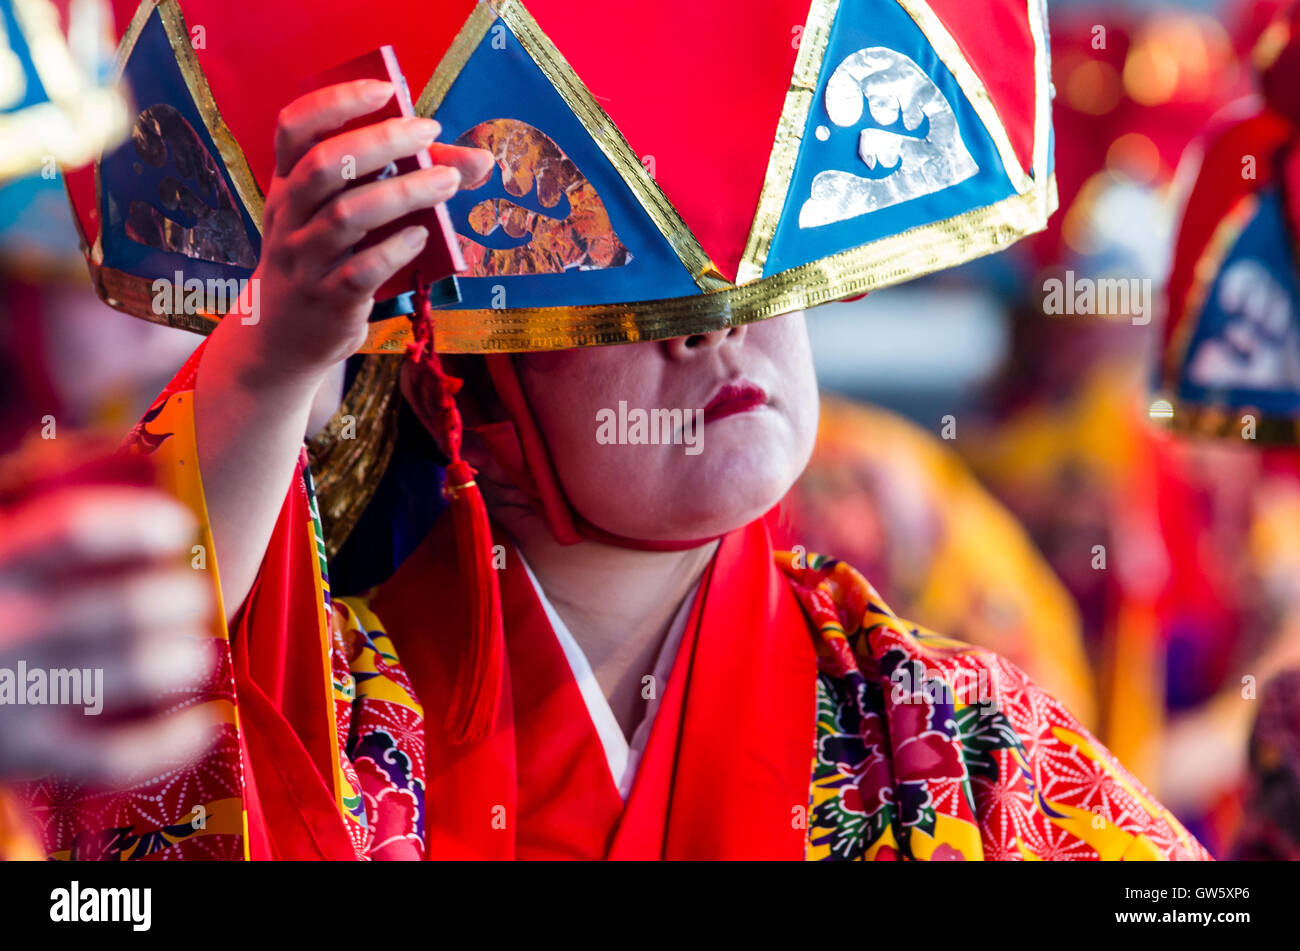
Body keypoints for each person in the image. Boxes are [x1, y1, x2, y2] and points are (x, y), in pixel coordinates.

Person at [29, 0, 1208, 860]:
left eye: (755, 282)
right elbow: (106, 711)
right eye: (633, 295)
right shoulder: (327, 725)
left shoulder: (953, 739)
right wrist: (282, 349)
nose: (712, 331)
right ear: (471, 400)